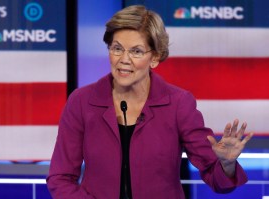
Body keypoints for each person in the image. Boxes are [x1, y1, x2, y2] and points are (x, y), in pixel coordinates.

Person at [46, 5, 253, 199]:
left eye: (136, 51)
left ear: (155, 57)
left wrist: (227, 164)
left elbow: (216, 177)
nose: (123, 59)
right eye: (117, 48)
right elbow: (60, 177)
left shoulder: (178, 104)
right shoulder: (82, 102)